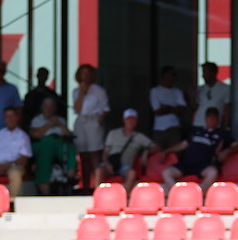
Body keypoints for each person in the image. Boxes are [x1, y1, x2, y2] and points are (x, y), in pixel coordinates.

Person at [162, 106, 238, 192]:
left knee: (213, 172)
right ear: (205, 118)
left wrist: (227, 151)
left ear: (218, 119)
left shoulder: (222, 133)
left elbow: (237, 146)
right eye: (209, 116)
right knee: (167, 172)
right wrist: (167, 150)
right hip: (187, 163)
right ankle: (178, 194)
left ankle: (198, 194)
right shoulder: (196, 131)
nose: (211, 119)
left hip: (205, 165)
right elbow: (183, 144)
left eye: (214, 116)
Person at [94, 108, 156, 191]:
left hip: (125, 167)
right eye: (128, 119)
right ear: (124, 120)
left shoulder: (139, 137)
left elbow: (156, 147)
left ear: (136, 121)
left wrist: (146, 151)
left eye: (133, 119)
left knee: (132, 173)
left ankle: (123, 196)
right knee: (99, 170)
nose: (130, 121)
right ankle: (97, 195)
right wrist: (107, 164)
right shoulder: (113, 133)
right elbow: (105, 153)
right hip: (111, 163)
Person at [72, 63, 109, 191]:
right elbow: (77, 109)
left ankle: (97, 186)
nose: (85, 76)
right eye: (83, 73)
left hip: (94, 121)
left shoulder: (99, 90)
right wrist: (82, 92)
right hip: (81, 122)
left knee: (94, 154)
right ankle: (85, 186)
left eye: (88, 73)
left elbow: (106, 108)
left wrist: (100, 120)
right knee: (83, 155)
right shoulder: (76, 91)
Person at [29, 97, 77, 195]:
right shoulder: (37, 120)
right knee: (44, 158)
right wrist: (50, 123)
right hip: (44, 143)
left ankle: (70, 176)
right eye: (47, 107)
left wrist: (58, 123)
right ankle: (45, 192)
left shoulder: (60, 120)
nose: (49, 109)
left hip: (60, 142)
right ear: (42, 108)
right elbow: (36, 134)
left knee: (69, 148)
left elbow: (69, 134)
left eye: (51, 107)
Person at [149, 66, 187, 150]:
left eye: (175, 75)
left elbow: (183, 110)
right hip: (159, 129)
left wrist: (168, 108)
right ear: (164, 75)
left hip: (174, 129)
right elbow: (157, 111)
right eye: (172, 74)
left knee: (173, 156)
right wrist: (174, 109)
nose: (174, 77)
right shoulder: (155, 91)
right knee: (156, 156)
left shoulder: (178, 91)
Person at [191, 61, 231, 129]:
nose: (203, 75)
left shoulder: (225, 88)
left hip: (215, 126)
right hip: (198, 124)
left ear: (213, 73)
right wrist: (191, 96)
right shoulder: (200, 89)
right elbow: (194, 107)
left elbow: (227, 109)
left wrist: (225, 126)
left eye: (205, 72)